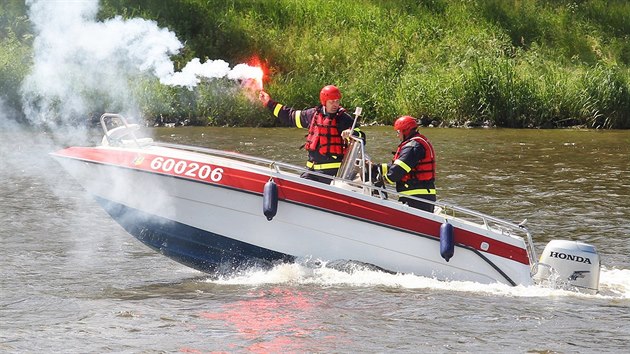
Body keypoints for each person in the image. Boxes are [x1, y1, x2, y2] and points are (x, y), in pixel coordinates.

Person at [258, 85, 365, 184]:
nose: (335, 105)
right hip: (311, 170)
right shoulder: (312, 114)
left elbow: (361, 137)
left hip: (330, 173)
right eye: (331, 102)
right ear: (324, 101)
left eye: (337, 101)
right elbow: (290, 116)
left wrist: (351, 133)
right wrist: (269, 103)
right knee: (300, 188)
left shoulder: (344, 119)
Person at [371, 115, 437, 212]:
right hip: (417, 196)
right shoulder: (414, 144)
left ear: (406, 131)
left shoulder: (413, 147)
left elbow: (398, 171)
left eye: (398, 132)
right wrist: (376, 168)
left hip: (418, 198)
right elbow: (397, 166)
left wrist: (383, 179)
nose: (397, 135)